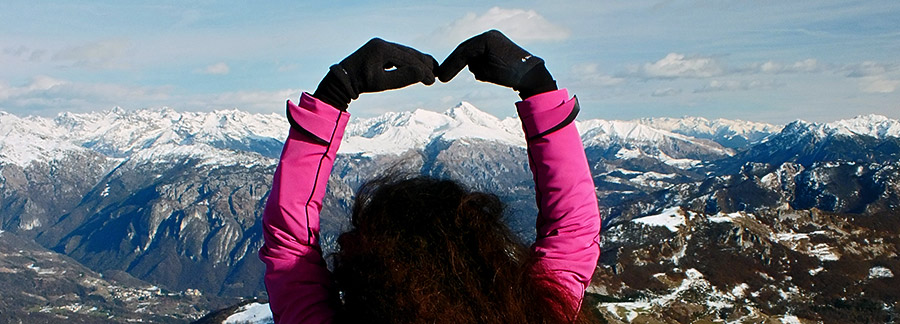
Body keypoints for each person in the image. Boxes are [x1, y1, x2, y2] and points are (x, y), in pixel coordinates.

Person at [259, 30, 601, 323]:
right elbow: (572, 233)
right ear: (486, 256)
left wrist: (336, 90)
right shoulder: (535, 315)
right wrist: (538, 85)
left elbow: (289, 244)